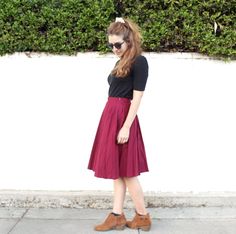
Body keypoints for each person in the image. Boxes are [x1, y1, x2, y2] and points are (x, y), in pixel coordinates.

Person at [88, 17, 151, 232]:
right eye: (111, 45)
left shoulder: (139, 61)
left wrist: (125, 126)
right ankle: (117, 215)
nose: (114, 48)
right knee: (117, 170)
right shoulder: (120, 62)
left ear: (129, 40)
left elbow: (138, 97)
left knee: (128, 172)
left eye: (118, 44)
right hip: (111, 116)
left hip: (124, 118)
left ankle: (142, 216)